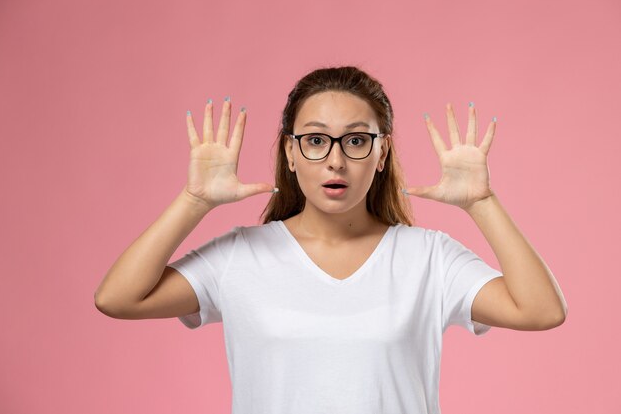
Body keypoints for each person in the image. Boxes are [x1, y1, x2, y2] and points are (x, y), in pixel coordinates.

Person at [95, 66, 568, 414]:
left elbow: (542, 310)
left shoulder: (429, 257)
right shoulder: (241, 256)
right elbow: (118, 298)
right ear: (291, 153)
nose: (335, 161)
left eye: (357, 141)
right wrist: (194, 200)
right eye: (316, 140)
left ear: (381, 153)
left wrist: (481, 202)